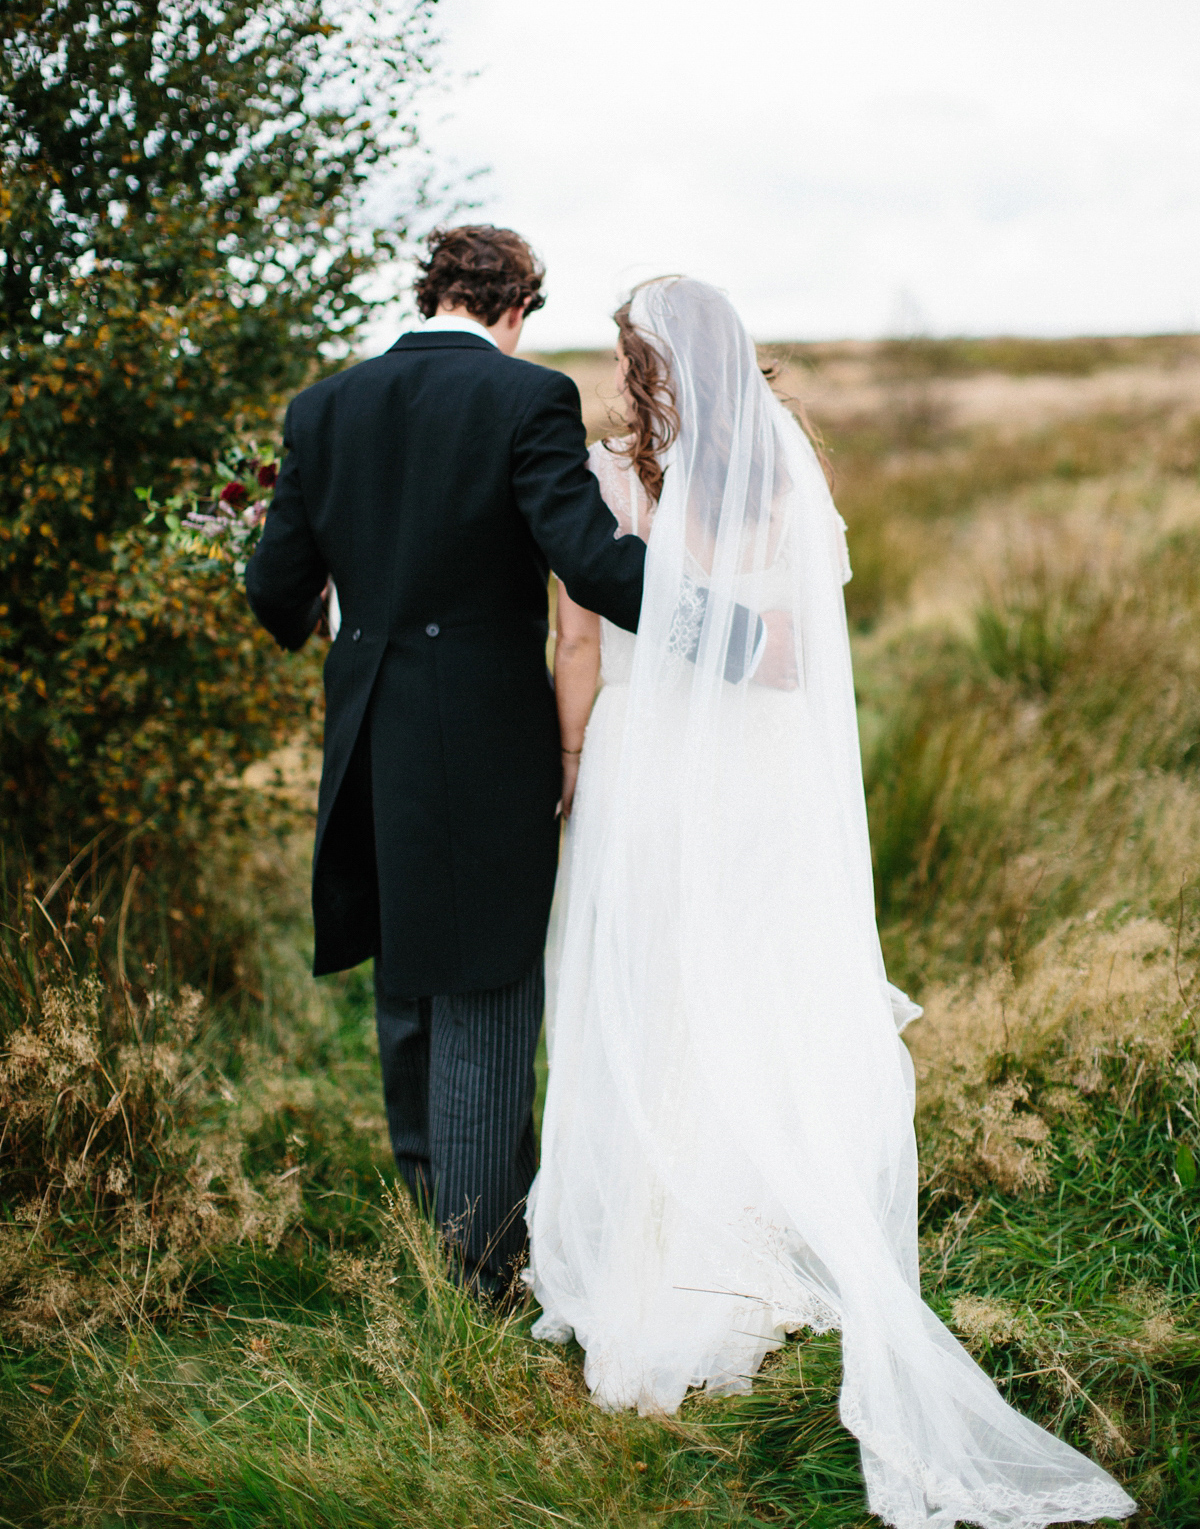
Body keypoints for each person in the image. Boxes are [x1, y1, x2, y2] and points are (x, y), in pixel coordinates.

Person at [526, 277, 1135, 1529]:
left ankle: (662, 1257)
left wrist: (573, 759)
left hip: (651, 763)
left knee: (653, 994)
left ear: (644, 363)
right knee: (744, 988)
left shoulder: (607, 475)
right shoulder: (783, 464)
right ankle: (752, 1228)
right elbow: (803, 649)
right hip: (757, 773)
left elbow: (579, 640)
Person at [245, 225, 648, 1300]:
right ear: (515, 310)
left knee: (413, 979)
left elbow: (273, 586)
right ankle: (482, 1268)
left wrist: (342, 606)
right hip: (483, 737)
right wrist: (717, 614)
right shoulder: (527, 399)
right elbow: (588, 561)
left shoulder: (322, 408)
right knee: (487, 983)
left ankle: (438, 1220)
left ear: (432, 295)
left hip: (367, 730)